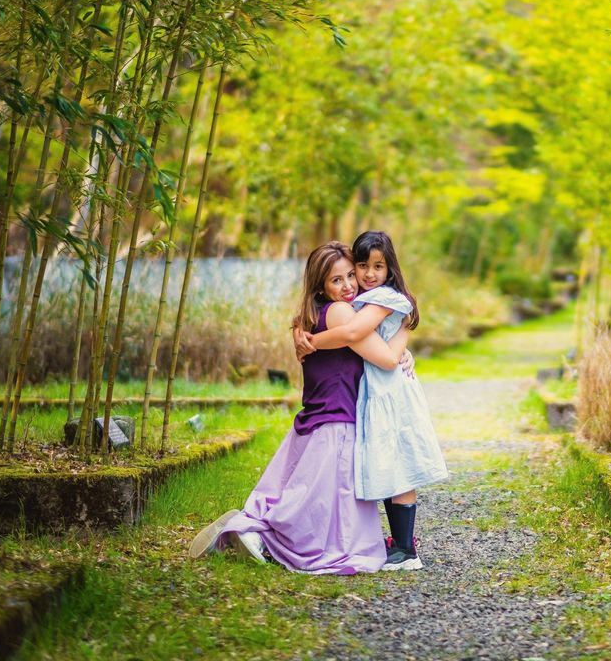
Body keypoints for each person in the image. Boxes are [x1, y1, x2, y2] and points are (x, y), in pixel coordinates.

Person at [188, 241, 407, 574]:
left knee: (303, 494)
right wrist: (405, 332)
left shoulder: (311, 314)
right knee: (323, 508)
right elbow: (386, 358)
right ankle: (260, 537)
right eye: (337, 280)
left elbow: (374, 346)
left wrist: (404, 352)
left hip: (313, 417)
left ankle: (253, 529)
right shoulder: (343, 312)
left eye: (351, 274)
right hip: (337, 419)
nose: (348, 285)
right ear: (321, 284)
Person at [297, 231, 447, 571]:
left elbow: (352, 335)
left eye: (377, 266)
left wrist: (311, 341)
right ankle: (399, 543)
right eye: (361, 266)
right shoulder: (361, 299)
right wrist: (298, 330)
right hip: (377, 391)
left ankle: (407, 549)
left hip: (391, 390)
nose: (366, 275)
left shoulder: (386, 298)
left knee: (399, 463)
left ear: (390, 268)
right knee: (383, 462)